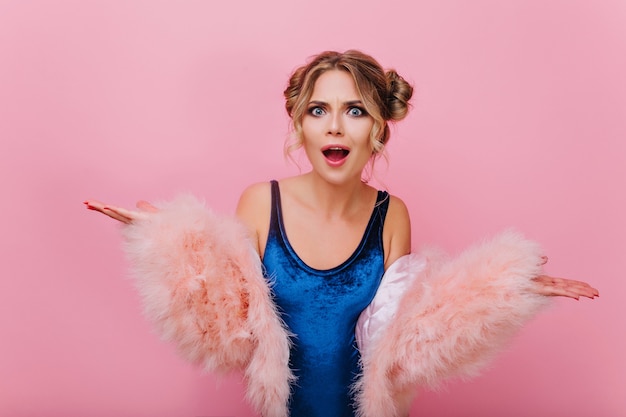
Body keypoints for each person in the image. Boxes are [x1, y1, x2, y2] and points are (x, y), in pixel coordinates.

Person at [85, 50, 598, 417]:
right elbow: (228, 319)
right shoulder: (261, 203)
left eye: (353, 110)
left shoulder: (391, 214)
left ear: (376, 127)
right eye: (318, 110)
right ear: (300, 125)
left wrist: (498, 292)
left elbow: (405, 337)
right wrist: (175, 241)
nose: (335, 127)